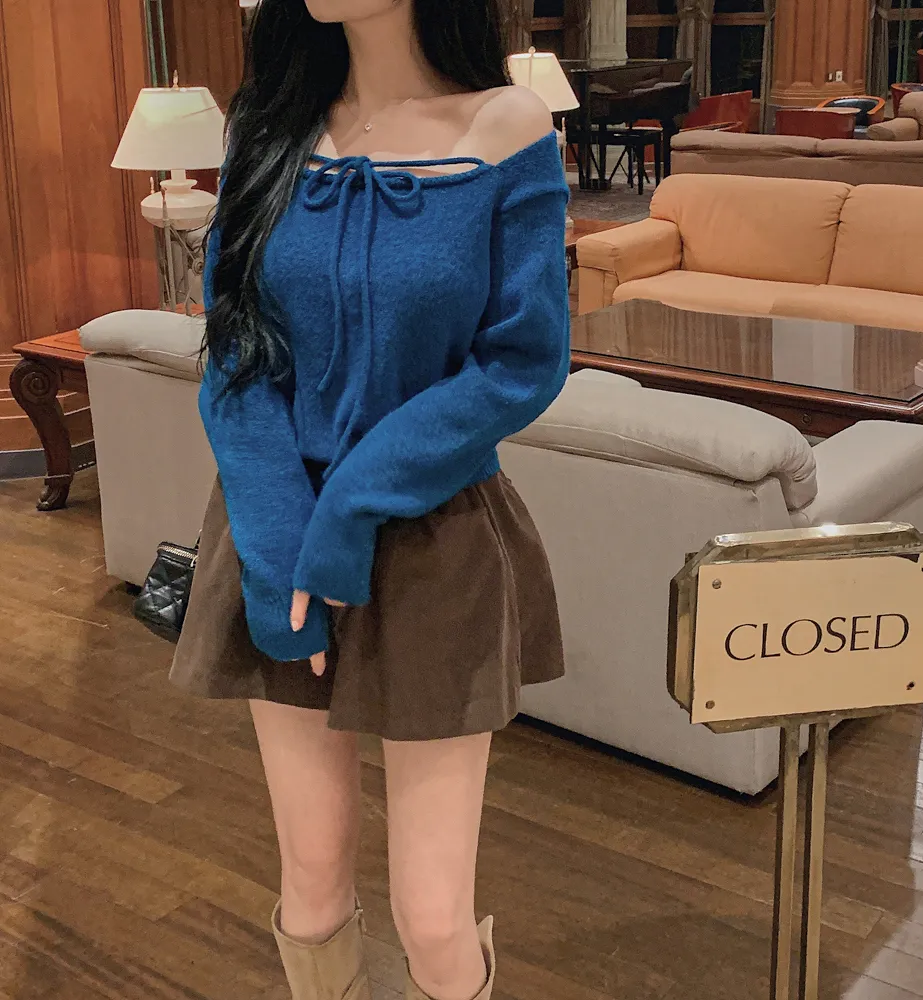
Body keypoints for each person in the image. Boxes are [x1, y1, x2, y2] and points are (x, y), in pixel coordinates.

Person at [168, 1, 571, 999]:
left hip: (434, 538)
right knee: (310, 882)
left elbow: (521, 362)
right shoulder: (267, 121)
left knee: (431, 918)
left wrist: (351, 506)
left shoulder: (507, 128)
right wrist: (275, 538)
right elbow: (235, 348)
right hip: (275, 531)